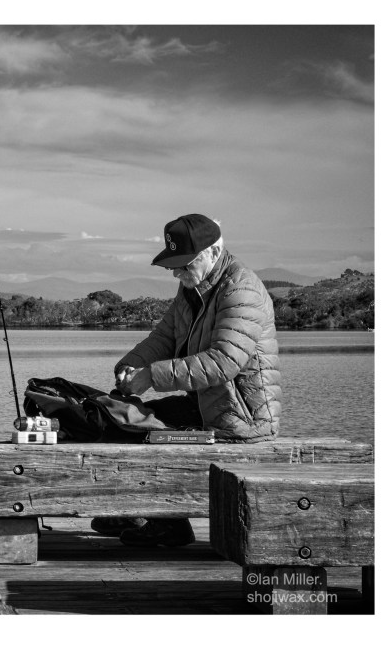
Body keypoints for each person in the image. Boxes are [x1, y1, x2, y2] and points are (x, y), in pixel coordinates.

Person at [92, 213, 282, 547]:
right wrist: (131, 365)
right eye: (173, 267)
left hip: (242, 421)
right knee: (125, 420)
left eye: (185, 265)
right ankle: (139, 507)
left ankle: (168, 524)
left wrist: (152, 375)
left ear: (214, 251)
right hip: (206, 408)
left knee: (149, 433)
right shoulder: (192, 289)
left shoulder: (242, 289)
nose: (178, 273)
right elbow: (164, 337)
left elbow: (224, 362)